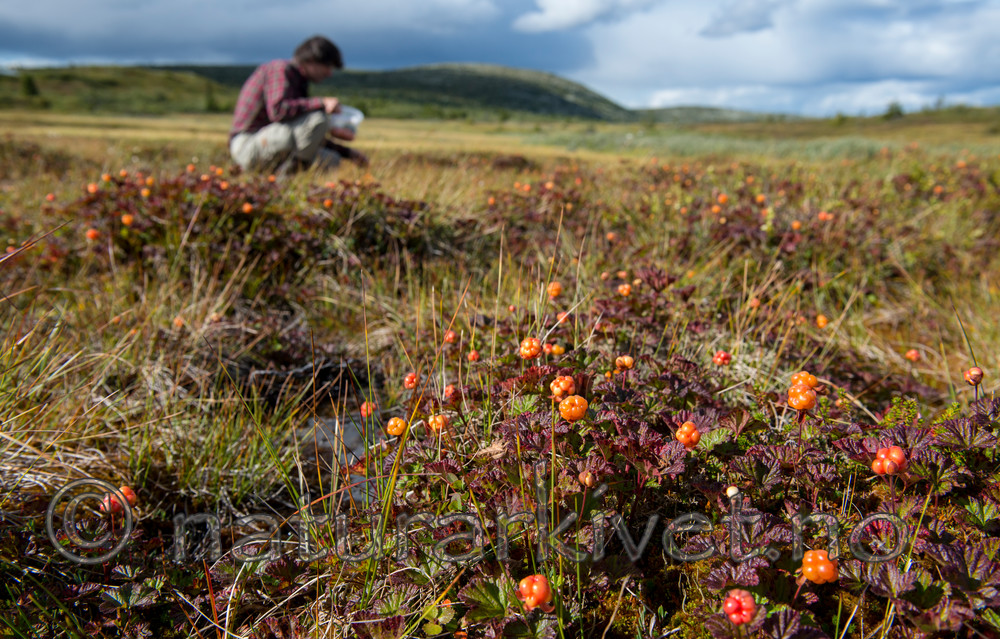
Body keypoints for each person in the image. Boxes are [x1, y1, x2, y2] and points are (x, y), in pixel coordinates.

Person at [229, 35, 368, 174]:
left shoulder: (299, 81)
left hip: (268, 144)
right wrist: (322, 103)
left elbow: (306, 136)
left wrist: (349, 153)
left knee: (331, 160)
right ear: (312, 60)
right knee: (318, 119)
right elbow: (278, 110)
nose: (329, 73)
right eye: (328, 66)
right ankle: (286, 177)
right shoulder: (281, 70)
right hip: (246, 145)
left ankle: (283, 174)